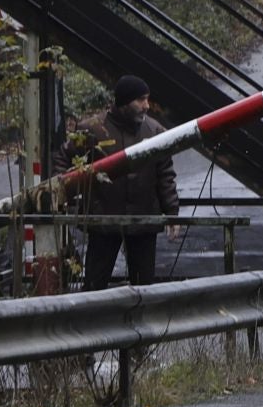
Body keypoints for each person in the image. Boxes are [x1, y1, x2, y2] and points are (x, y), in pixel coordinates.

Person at [62, 75, 181, 290]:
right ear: (125, 102)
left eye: (147, 99)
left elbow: (165, 173)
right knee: (94, 287)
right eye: (140, 100)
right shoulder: (93, 129)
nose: (146, 106)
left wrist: (172, 212)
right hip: (104, 221)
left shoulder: (154, 131)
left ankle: (140, 323)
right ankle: (91, 322)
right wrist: (64, 193)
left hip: (143, 220)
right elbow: (63, 157)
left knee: (144, 287)